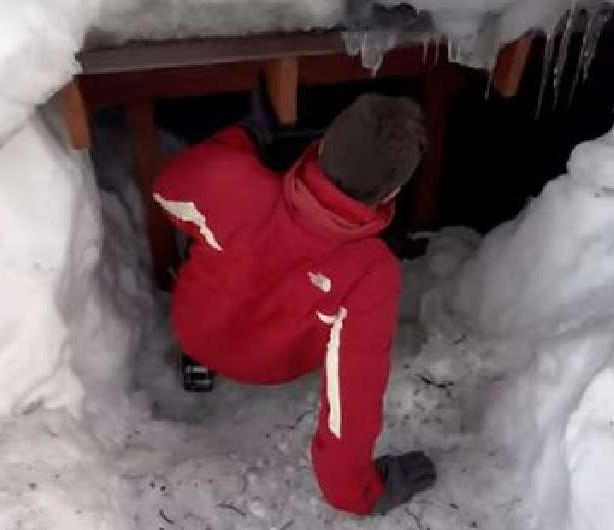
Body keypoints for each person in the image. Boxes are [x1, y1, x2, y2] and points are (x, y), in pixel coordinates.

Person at [150, 91, 437, 516]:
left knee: (213, 245)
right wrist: (358, 492)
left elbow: (165, 191)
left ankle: (199, 361)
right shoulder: (371, 270)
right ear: (392, 190)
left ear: (323, 143)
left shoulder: (234, 182)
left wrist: (240, 142)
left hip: (195, 330)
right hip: (275, 366)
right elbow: (352, 394)